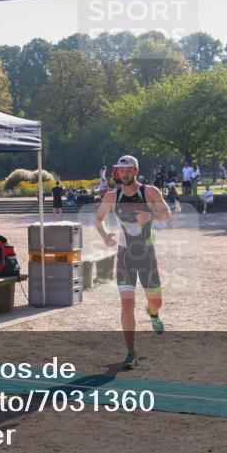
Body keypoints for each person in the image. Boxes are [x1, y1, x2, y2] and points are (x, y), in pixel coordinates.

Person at [94, 155, 172, 370]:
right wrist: (105, 236)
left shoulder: (149, 192)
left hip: (146, 254)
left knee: (156, 301)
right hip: (125, 255)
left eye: (128, 170)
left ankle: (153, 313)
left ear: (136, 171)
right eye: (121, 171)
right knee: (127, 303)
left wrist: (151, 216)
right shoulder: (112, 196)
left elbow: (167, 215)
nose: (124, 174)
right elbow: (98, 218)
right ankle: (131, 352)